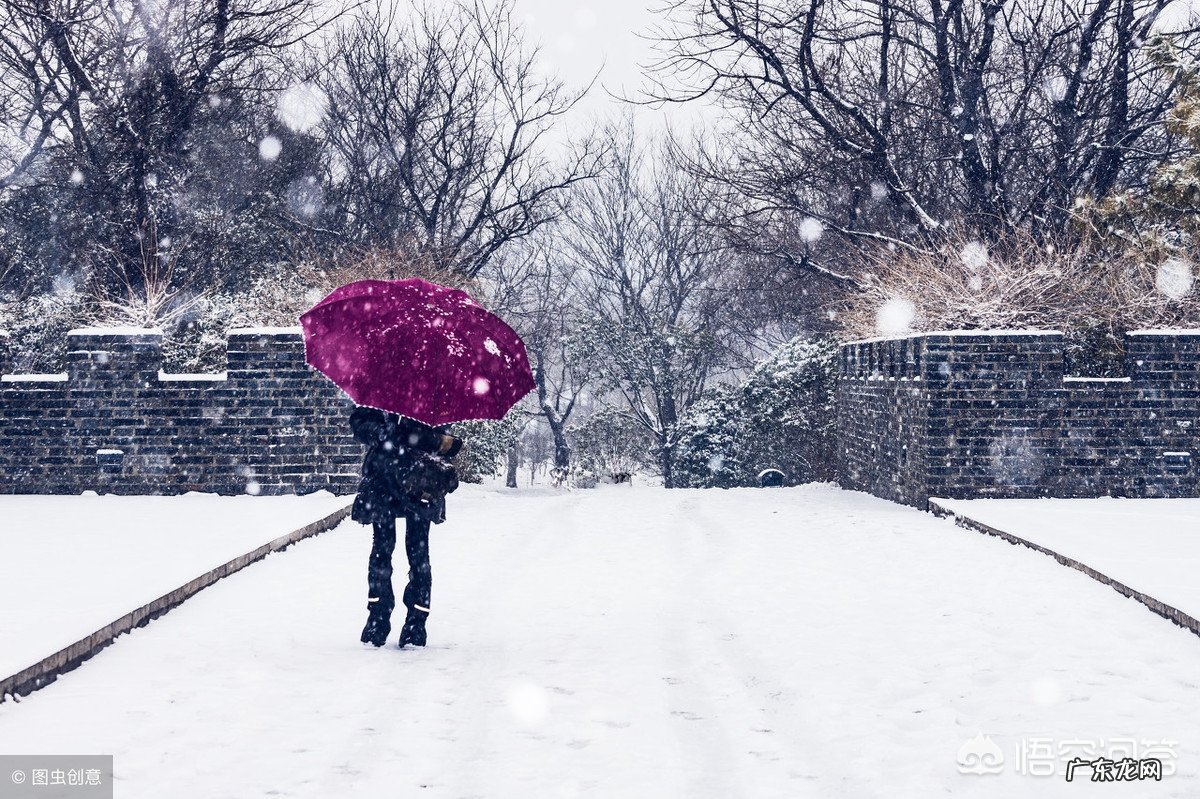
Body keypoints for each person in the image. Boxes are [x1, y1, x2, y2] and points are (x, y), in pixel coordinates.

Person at [350, 405, 461, 648]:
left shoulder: (433, 396)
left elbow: (442, 439)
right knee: (382, 549)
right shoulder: (380, 391)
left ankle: (416, 622)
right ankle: (377, 617)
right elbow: (359, 424)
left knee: (418, 552)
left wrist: (411, 434)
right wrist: (384, 433)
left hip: (419, 481)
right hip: (382, 480)